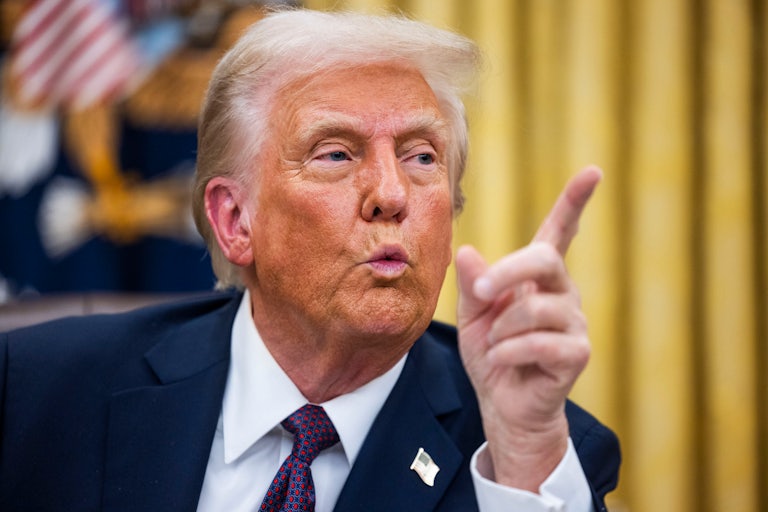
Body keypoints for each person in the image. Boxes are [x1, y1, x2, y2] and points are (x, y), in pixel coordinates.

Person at [0, 8, 620, 512]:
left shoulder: (530, 446)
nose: (392, 194)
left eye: (422, 157)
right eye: (335, 154)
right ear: (236, 221)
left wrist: (523, 457)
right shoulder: (36, 392)